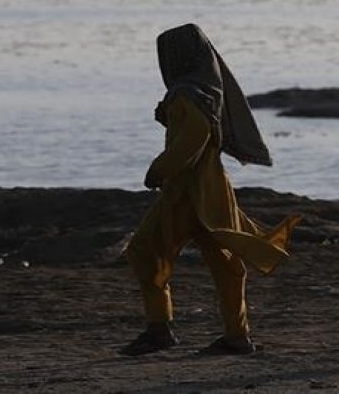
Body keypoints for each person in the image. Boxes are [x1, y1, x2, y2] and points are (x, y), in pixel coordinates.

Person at [121, 24, 300, 356]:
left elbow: (194, 138)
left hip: (185, 192)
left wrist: (158, 170)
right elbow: (203, 133)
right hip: (214, 189)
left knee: (146, 251)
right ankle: (237, 335)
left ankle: (160, 330)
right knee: (227, 263)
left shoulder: (186, 94)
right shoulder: (207, 89)